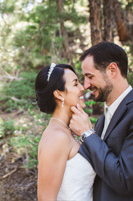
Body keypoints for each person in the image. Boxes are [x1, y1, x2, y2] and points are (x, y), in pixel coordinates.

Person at [67, 41, 133, 200]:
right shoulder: (103, 120)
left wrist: (87, 133)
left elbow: (124, 179)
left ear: (112, 70)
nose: (86, 85)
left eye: (90, 76)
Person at [33, 63, 94, 200]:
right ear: (59, 94)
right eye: (75, 84)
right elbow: (45, 198)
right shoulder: (56, 137)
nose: (82, 88)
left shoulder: (69, 131)